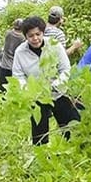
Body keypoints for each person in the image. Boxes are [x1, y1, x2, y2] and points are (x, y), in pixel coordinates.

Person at [12, 16, 81, 145]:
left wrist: (56, 84)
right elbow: (18, 75)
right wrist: (28, 89)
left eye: (38, 34)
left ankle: (73, 152)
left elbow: (65, 69)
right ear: (25, 36)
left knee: (72, 126)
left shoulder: (54, 46)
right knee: (40, 135)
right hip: (36, 97)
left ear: (43, 32)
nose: (35, 38)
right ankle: (42, 158)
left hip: (58, 93)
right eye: (31, 35)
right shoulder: (20, 52)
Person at [0, 18, 25, 92]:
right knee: (12, 90)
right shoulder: (22, 38)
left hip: (4, 65)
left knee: (2, 89)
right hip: (14, 67)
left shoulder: (8, 33)